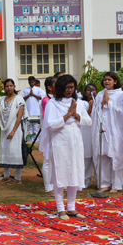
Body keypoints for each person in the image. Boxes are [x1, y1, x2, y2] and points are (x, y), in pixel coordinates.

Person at [45, 75, 91, 220]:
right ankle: (60, 209)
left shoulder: (80, 103)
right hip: (59, 143)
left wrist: (76, 115)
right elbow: (51, 125)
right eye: (67, 87)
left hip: (75, 142)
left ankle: (71, 208)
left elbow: (88, 121)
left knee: (74, 173)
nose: (70, 90)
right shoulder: (52, 104)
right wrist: (68, 115)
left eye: (72, 87)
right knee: (61, 174)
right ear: (60, 88)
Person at [92, 72, 123, 195]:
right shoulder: (100, 94)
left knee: (115, 156)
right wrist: (102, 103)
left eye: (109, 79)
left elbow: (122, 113)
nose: (107, 82)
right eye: (105, 79)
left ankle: (116, 184)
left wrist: (108, 103)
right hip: (102, 129)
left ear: (115, 81)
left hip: (115, 131)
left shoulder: (120, 94)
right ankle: (104, 183)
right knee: (103, 156)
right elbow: (94, 112)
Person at [0, 79, 28, 185]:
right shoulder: (2, 99)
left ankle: (18, 178)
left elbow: (19, 116)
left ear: (14, 86)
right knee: (5, 150)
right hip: (4, 129)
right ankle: (7, 175)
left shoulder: (19, 99)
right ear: (4, 88)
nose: (9, 88)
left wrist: (13, 131)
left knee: (15, 151)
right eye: (7, 86)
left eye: (11, 86)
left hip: (16, 129)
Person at [39, 76, 57, 196]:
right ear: (50, 87)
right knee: (47, 159)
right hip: (49, 133)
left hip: (58, 132)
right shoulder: (46, 100)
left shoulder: (57, 99)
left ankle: (57, 184)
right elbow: (48, 119)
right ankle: (48, 188)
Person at [80, 84, 97, 188]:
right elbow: (83, 117)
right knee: (86, 156)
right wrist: (90, 108)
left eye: (93, 89)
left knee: (96, 156)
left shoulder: (99, 101)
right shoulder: (82, 103)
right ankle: (85, 180)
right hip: (86, 131)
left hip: (96, 131)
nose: (90, 92)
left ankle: (98, 180)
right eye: (88, 90)